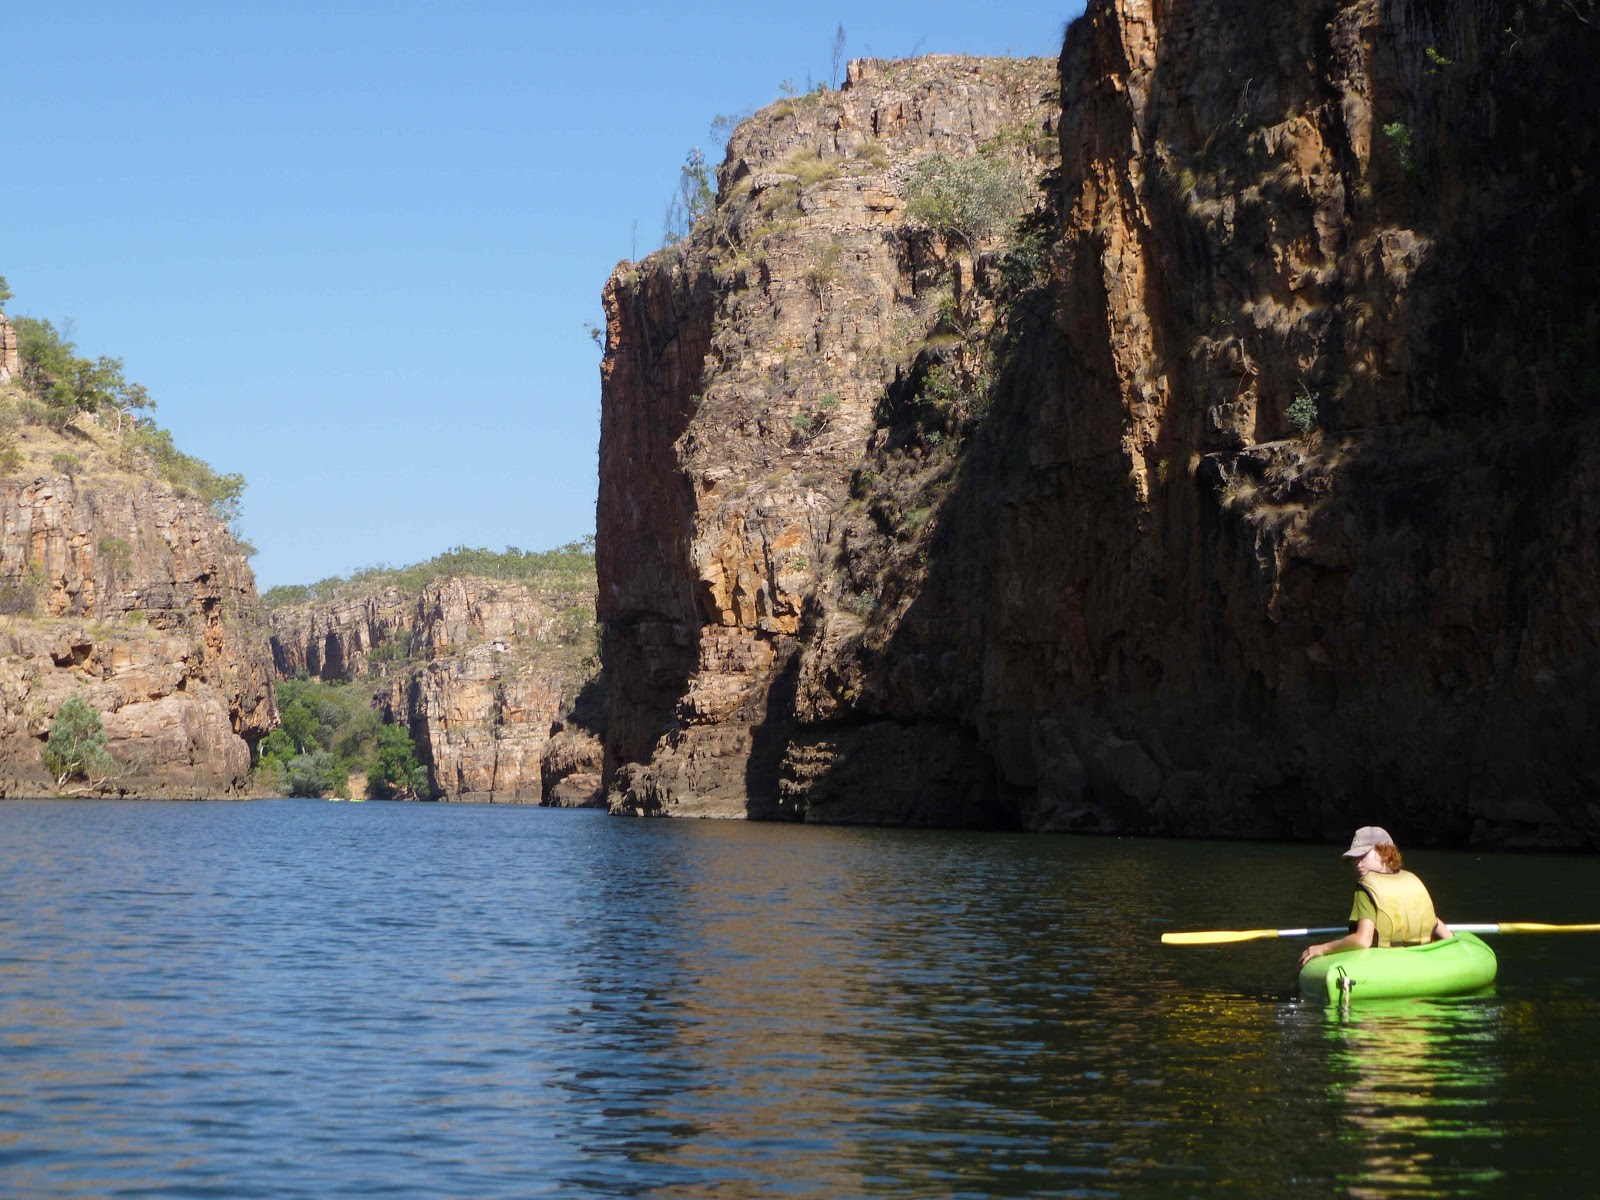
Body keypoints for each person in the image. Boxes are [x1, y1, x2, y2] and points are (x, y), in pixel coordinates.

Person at [1298, 826, 1453, 967]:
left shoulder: (1366, 888)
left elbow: (1363, 940)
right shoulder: (1412, 880)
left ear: (1383, 851)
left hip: (1383, 965)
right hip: (1421, 961)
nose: (1357, 862)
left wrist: (1323, 949)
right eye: (1354, 858)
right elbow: (1442, 930)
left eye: (1362, 855)